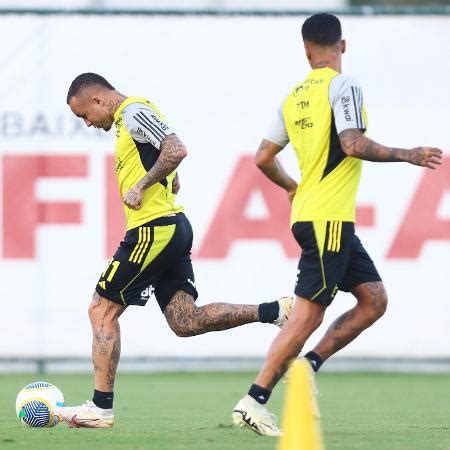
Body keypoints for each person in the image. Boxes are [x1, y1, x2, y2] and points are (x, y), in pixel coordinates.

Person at [232, 13, 443, 436]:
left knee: (374, 300)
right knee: (307, 317)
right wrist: (408, 154)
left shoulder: (292, 97)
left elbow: (262, 157)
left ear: (306, 50)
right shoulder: (343, 85)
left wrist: (292, 185)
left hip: (319, 217)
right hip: (327, 220)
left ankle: (307, 365)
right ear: (341, 46)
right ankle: (253, 402)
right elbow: (351, 143)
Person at [55, 72, 295, 428]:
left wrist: (143, 184)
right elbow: (167, 157)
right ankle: (277, 311)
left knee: (100, 310)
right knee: (185, 321)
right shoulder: (129, 119)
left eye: (84, 116)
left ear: (97, 100)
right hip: (170, 229)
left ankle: (100, 407)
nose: (88, 123)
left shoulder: (133, 111)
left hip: (154, 230)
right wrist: (165, 176)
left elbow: (177, 148)